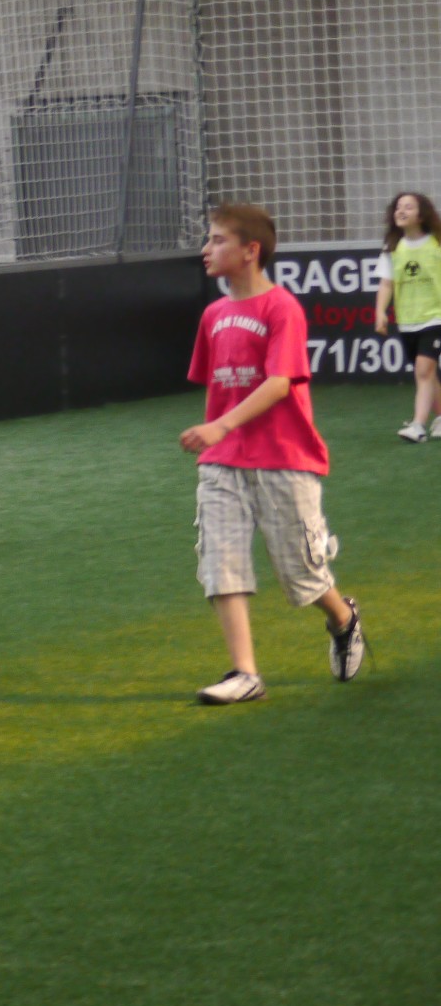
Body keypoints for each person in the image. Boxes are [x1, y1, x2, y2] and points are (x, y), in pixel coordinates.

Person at [182, 204, 366, 705]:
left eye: (217, 239)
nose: (206, 248)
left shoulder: (282, 308)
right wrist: (219, 435)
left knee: (301, 574)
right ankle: (245, 674)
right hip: (222, 462)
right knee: (220, 561)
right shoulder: (213, 315)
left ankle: (343, 618)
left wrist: (220, 424)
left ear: (250, 251)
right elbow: (215, 381)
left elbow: (280, 383)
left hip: (285, 459)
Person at [370, 191, 441, 441]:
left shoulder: (436, 243)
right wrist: (380, 312)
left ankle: (418, 426)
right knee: (427, 374)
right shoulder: (392, 248)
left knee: (423, 369)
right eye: (399, 207)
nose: (401, 211)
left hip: (435, 318)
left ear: (421, 214)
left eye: (409, 207)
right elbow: (386, 283)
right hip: (408, 321)